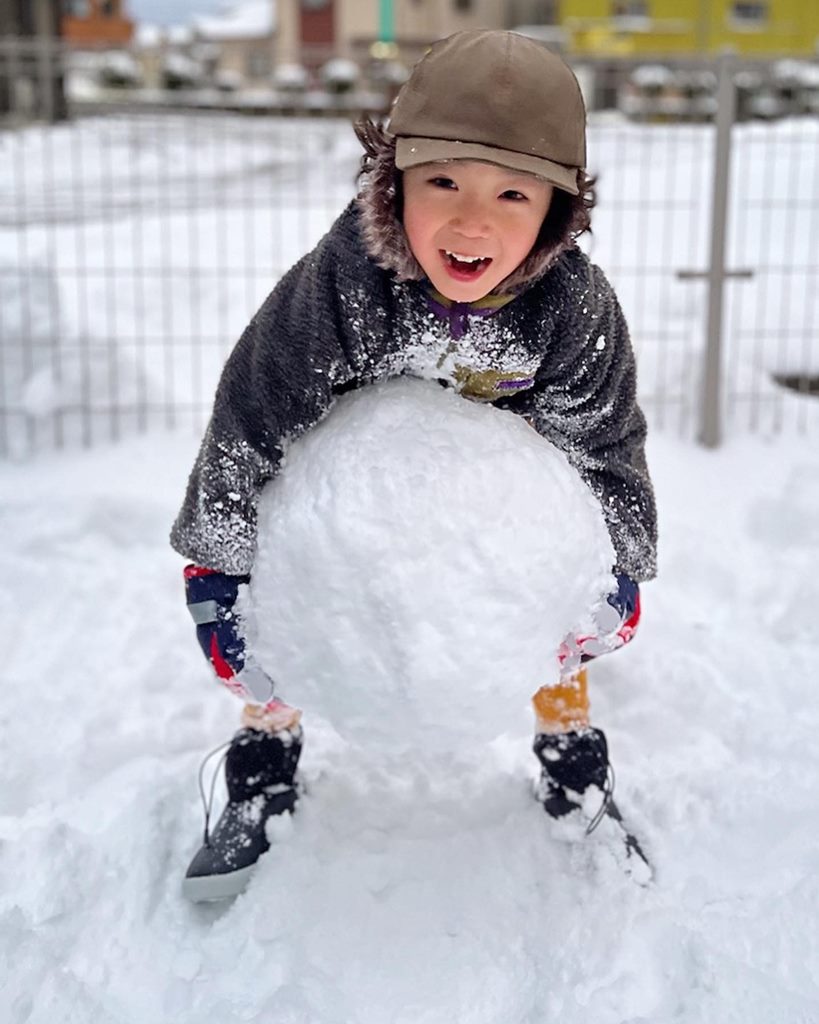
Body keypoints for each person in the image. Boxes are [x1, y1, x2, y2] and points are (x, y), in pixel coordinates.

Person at [171, 29, 657, 902]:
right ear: (391, 184)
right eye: (442, 183)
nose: (472, 221)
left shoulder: (571, 309)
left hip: (505, 537)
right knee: (290, 605)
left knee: (553, 609)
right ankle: (265, 750)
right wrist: (218, 573)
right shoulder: (344, 285)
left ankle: (571, 759)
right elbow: (250, 418)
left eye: (513, 193)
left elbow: (604, 443)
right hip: (339, 526)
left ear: (557, 211)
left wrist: (618, 567)